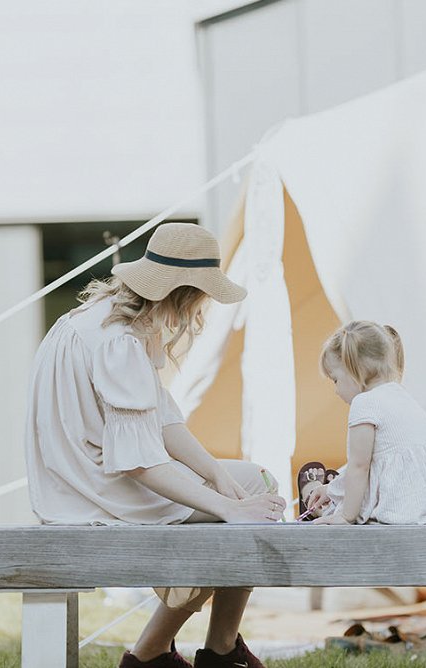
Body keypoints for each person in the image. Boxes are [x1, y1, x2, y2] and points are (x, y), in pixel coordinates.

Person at [24, 223, 286, 668]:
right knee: (248, 500)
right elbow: (140, 463)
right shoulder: (119, 342)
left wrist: (218, 477)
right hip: (92, 492)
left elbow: (162, 421)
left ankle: (176, 651)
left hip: (79, 480)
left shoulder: (100, 317)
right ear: (185, 293)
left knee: (249, 480)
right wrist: (228, 508)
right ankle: (187, 653)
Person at [300, 321, 426, 526]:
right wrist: (331, 489)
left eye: (335, 380)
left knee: (348, 514)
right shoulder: (401, 395)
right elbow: (377, 461)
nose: (336, 391)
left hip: (404, 510)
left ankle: (324, 512)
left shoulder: (364, 403)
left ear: (354, 370)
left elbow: (360, 466)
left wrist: (346, 516)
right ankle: (328, 504)